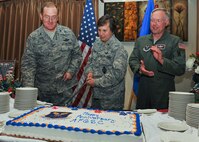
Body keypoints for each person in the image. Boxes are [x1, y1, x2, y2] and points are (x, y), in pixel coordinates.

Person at [21, 2, 82, 106]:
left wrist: (71, 71)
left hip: (64, 90)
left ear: (58, 17)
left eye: (53, 17)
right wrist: (29, 91)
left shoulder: (68, 33)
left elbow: (77, 55)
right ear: (41, 16)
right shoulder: (33, 38)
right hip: (43, 92)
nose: (50, 21)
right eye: (46, 17)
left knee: (64, 121)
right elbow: (28, 66)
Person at [129, 8, 186, 109]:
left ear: (166, 22)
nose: (154, 24)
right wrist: (139, 69)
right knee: (141, 123)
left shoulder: (176, 41)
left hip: (163, 94)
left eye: (158, 21)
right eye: (152, 20)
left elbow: (180, 68)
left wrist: (162, 60)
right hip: (143, 93)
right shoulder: (141, 41)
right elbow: (132, 59)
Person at [84, 14, 128, 110]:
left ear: (112, 31)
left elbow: (117, 75)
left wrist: (95, 82)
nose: (101, 34)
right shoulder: (97, 44)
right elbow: (89, 62)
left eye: (104, 30)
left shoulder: (119, 48)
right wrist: (89, 72)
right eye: (99, 30)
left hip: (112, 99)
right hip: (96, 96)